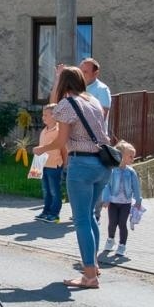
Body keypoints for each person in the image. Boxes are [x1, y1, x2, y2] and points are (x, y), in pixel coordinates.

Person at [39, 65, 114, 290]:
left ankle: (89, 276)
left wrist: (41, 149)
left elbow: (61, 140)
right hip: (103, 164)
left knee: (81, 219)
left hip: (81, 164)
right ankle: (94, 265)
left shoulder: (67, 105)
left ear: (64, 84)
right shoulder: (92, 100)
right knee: (90, 216)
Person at [99, 141, 143, 264]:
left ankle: (122, 245)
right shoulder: (112, 171)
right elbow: (107, 185)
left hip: (126, 203)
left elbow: (136, 187)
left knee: (122, 224)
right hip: (113, 202)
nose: (133, 159)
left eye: (133, 156)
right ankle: (110, 239)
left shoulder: (131, 172)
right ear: (121, 155)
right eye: (130, 156)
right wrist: (106, 199)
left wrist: (138, 200)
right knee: (112, 223)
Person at [34, 101, 66, 225]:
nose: (43, 117)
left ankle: (54, 214)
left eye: (46, 115)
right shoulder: (44, 130)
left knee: (54, 190)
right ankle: (46, 211)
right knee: (46, 190)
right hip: (43, 164)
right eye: (43, 115)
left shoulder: (58, 130)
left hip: (54, 165)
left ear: (55, 116)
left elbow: (62, 148)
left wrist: (65, 163)